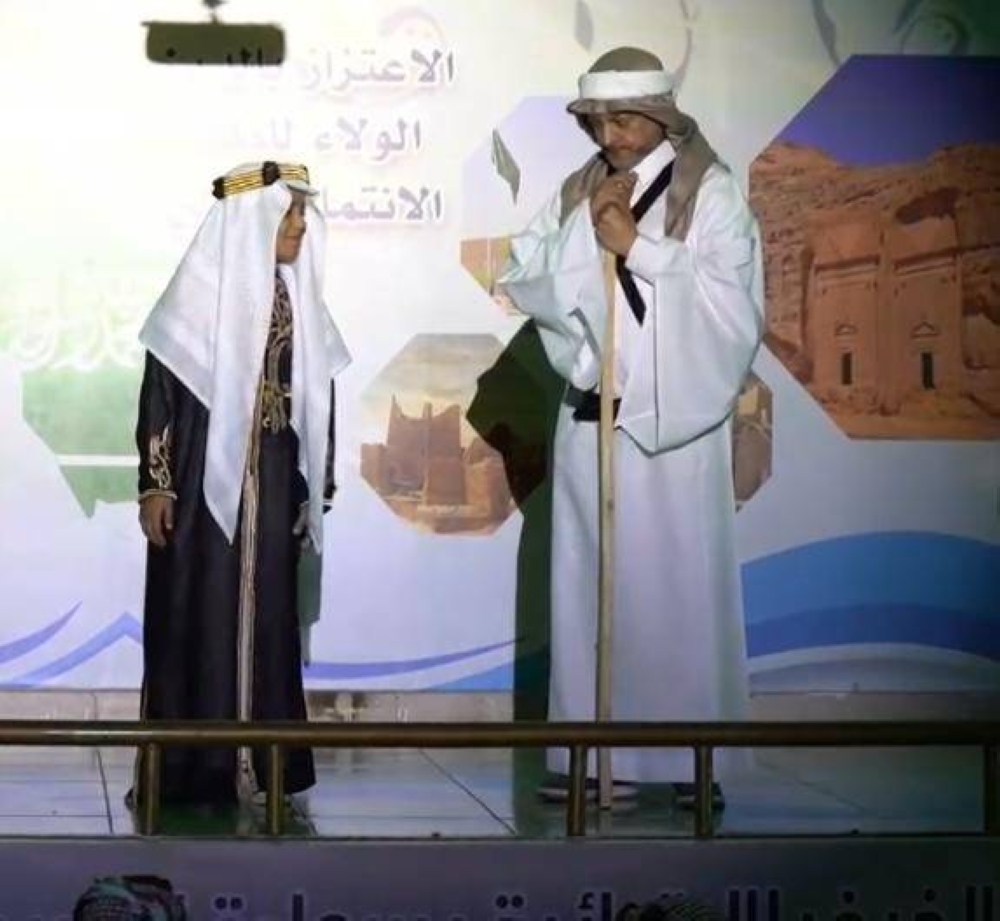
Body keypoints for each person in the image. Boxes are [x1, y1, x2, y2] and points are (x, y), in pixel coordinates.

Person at [500, 48, 763, 805]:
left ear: (662, 117)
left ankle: (691, 763)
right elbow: (526, 276)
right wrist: (585, 240)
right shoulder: (579, 190)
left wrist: (638, 249)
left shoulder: (712, 193)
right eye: (597, 122)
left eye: (623, 120)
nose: (609, 137)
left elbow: (733, 307)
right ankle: (591, 758)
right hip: (591, 424)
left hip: (672, 435)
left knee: (678, 592)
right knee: (589, 592)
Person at [133, 161, 350, 806]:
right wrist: (157, 483)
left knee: (271, 620)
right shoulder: (199, 294)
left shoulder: (298, 299)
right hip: (201, 481)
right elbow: (161, 389)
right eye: (288, 214)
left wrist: (315, 486)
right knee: (196, 616)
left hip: (277, 479)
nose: (300, 227)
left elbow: (317, 397)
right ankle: (196, 772)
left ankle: (265, 767)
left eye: (303, 214)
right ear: (252, 222)